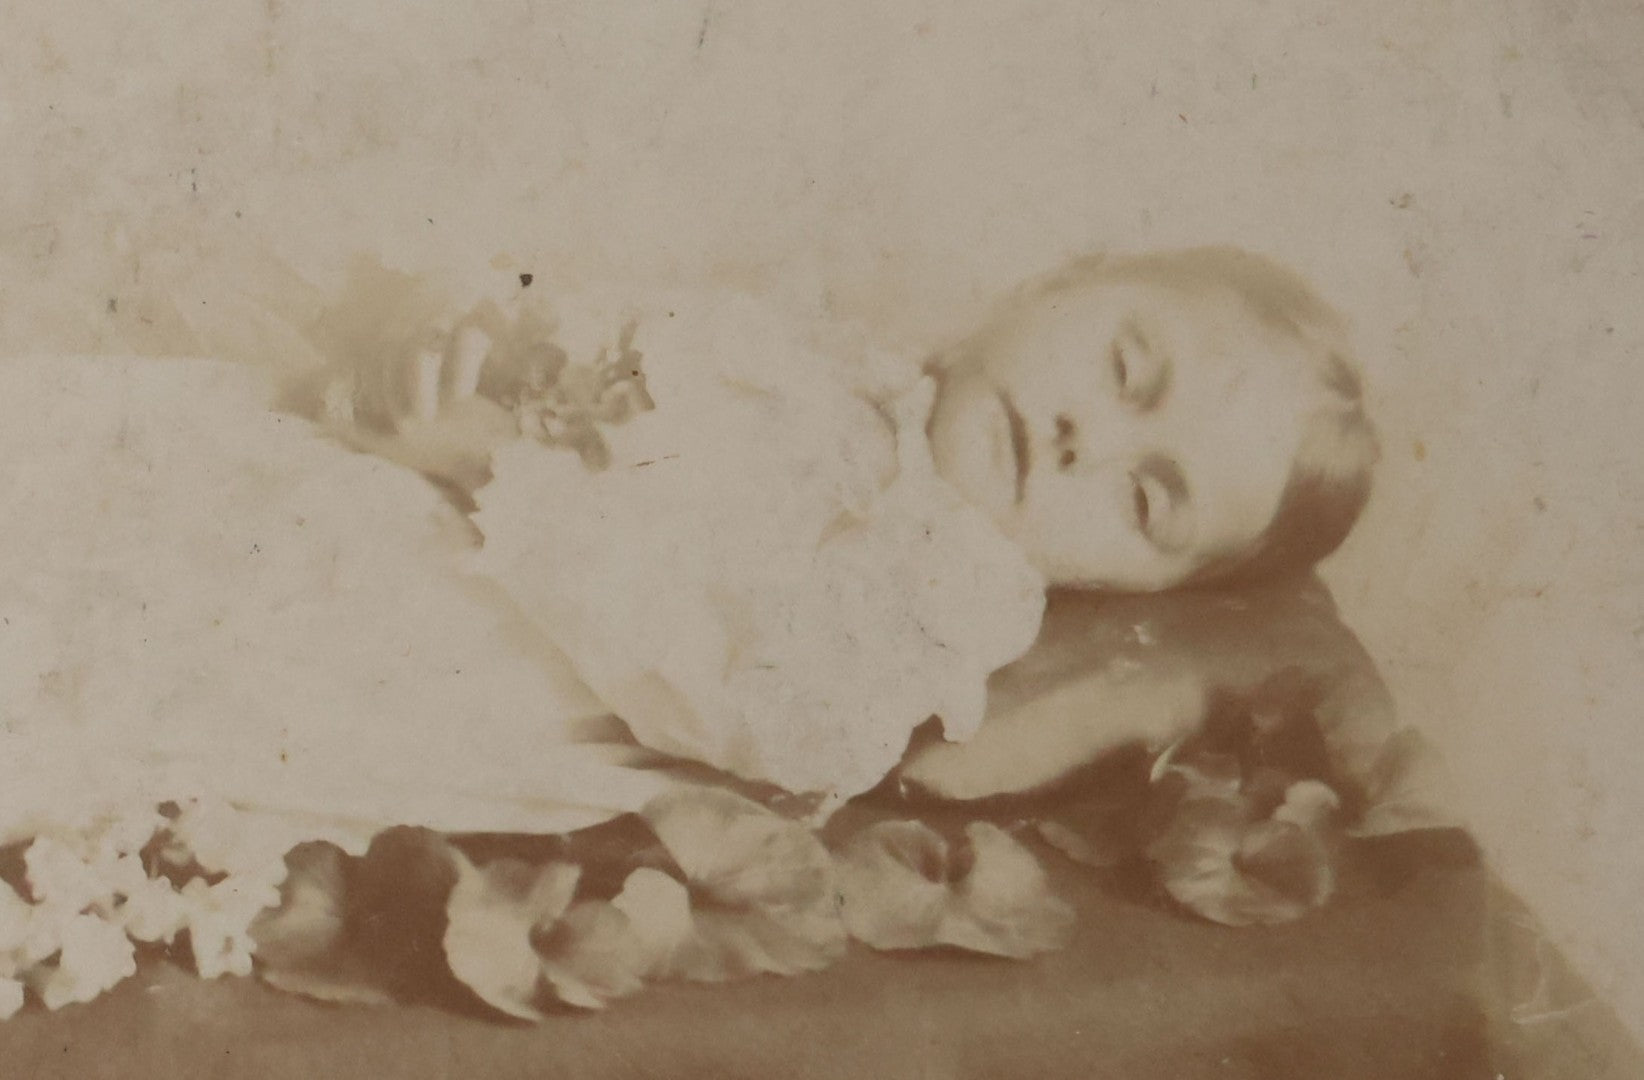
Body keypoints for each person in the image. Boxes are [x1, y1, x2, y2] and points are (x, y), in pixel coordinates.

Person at [286, 245, 1378, 805]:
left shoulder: (945, 592)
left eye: (1143, 501)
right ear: (1057, 284)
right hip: (453, 490)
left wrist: (494, 466)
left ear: (1142, 592)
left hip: (504, 649)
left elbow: (741, 702)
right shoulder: (857, 374)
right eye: (1124, 369)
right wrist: (500, 354)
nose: (1080, 439)